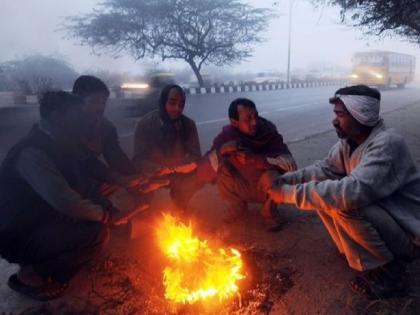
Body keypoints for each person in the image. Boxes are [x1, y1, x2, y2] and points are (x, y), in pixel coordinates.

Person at [260, 85, 420, 299]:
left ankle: (390, 274)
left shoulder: (387, 144)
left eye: (340, 115)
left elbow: (352, 192)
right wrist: (285, 180)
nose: (334, 120)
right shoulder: (349, 143)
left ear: (360, 115)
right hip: (386, 219)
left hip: (408, 235)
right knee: (325, 191)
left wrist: (288, 194)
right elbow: (325, 169)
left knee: (343, 202)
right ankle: (355, 252)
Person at [0, 91, 148, 301]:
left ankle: (53, 258)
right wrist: (105, 216)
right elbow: (65, 201)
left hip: (41, 219)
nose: (82, 120)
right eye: (76, 115)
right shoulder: (32, 153)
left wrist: (115, 198)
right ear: (57, 116)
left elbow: (87, 178)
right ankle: (32, 274)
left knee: (99, 220)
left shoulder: (61, 143)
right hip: (19, 234)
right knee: (97, 234)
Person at [197, 98, 297, 227]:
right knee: (222, 167)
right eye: (248, 119)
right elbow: (202, 172)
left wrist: (256, 160)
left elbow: (291, 165)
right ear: (234, 122)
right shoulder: (226, 136)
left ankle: (270, 211)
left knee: (273, 176)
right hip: (241, 186)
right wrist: (222, 150)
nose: (254, 122)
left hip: (266, 188)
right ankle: (238, 206)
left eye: (255, 116)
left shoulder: (268, 132)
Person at [133, 84, 202, 211]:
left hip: (178, 171)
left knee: (198, 176)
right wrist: (156, 169)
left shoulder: (188, 125)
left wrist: (175, 168)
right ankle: (143, 211)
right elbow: (138, 159)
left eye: (181, 104)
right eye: (172, 103)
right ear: (163, 102)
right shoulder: (145, 124)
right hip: (152, 173)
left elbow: (196, 156)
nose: (177, 108)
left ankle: (181, 205)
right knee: (136, 184)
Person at [72, 75, 137, 179]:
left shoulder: (105, 128)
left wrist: (138, 180)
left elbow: (117, 158)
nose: (100, 108)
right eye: (94, 101)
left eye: (103, 102)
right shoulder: (63, 127)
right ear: (77, 102)